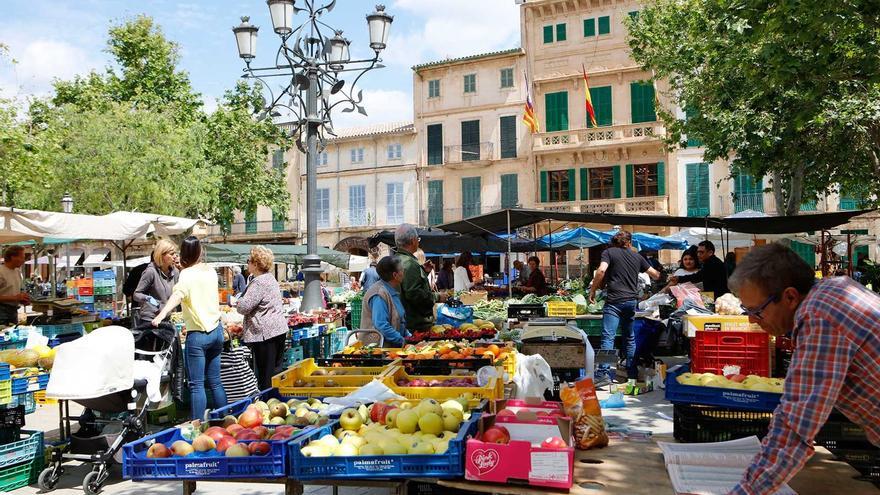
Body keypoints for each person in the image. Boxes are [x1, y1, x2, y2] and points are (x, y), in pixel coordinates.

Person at [726, 243, 880, 495]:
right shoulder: (833, 290)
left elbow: (794, 426)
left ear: (789, 297)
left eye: (756, 311)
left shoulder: (818, 316)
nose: (751, 320)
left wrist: (744, 492)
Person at [152, 236, 227, 420]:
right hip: (217, 332)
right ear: (200, 251)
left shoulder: (186, 275)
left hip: (198, 336)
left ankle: (197, 427)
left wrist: (161, 315)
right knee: (216, 383)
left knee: (197, 385)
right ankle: (226, 421)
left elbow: (178, 294)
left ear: (183, 254)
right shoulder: (210, 271)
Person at [588, 231, 661, 383]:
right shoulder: (637, 256)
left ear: (615, 242)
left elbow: (601, 270)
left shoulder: (608, 252)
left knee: (608, 337)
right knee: (629, 338)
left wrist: (593, 289)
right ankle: (632, 373)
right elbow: (655, 275)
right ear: (629, 242)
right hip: (630, 302)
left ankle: (603, 373)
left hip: (614, 301)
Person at [235, 246, 288, 390]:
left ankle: (267, 403)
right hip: (278, 329)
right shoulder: (270, 279)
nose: (247, 264)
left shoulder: (259, 282)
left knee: (266, 375)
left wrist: (236, 301)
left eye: (248, 261)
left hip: (265, 333)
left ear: (256, 264)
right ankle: (277, 401)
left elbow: (244, 307)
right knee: (275, 372)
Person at [395, 224, 446, 333]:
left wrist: (423, 271)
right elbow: (414, 294)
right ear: (413, 240)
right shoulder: (410, 263)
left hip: (404, 321)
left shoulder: (396, 259)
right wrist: (437, 297)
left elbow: (405, 284)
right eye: (418, 239)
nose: (418, 242)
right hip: (415, 324)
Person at [360, 256, 408, 347]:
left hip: (393, 346)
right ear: (395, 275)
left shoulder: (391, 290)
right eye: (402, 269)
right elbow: (381, 325)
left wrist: (410, 337)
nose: (404, 271)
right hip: (378, 349)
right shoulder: (379, 293)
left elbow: (400, 320)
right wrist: (402, 340)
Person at [133, 240, 179, 327]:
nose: (175, 256)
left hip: (167, 319)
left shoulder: (175, 272)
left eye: (175, 253)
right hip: (150, 320)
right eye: (172, 254)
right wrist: (148, 298)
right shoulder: (151, 272)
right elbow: (136, 294)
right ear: (162, 255)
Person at [0, 246, 28, 325]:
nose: (23, 260)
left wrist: (23, 299)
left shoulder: (17, 271)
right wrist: (15, 298)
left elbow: (18, 290)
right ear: (12, 257)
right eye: (22, 257)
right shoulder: (1, 271)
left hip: (13, 311)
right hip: (2, 311)